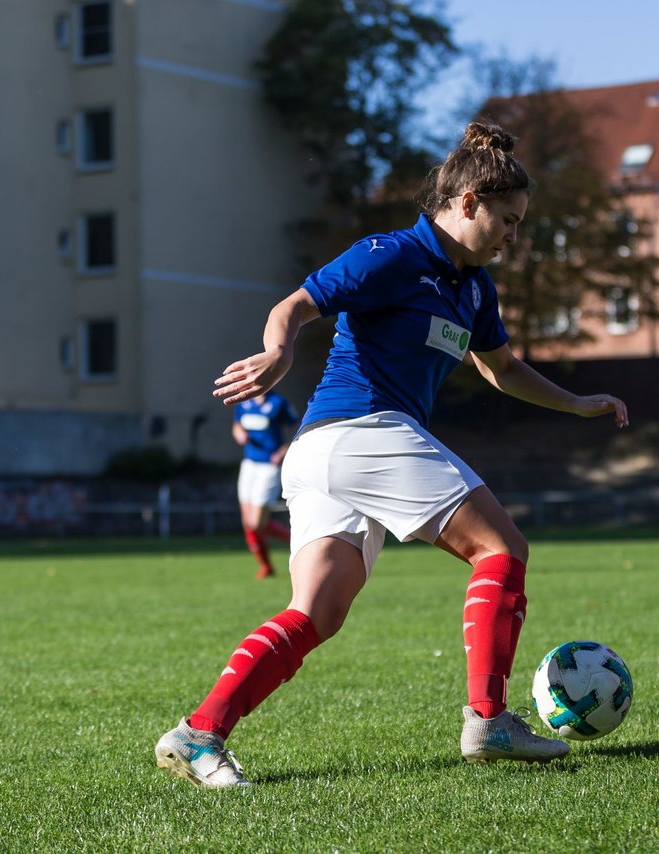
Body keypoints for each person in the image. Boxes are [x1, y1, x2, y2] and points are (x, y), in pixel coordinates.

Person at [154, 121, 629, 788]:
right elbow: (296, 305)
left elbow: (505, 370)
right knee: (502, 549)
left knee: (316, 613)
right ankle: (488, 719)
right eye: (508, 221)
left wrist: (577, 402)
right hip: (359, 433)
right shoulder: (391, 254)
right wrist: (279, 352)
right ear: (466, 203)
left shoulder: (474, 288)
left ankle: (198, 732)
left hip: (325, 452)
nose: (513, 237)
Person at [232, 390, 299, 578]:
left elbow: (298, 426)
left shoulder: (278, 402)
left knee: (255, 522)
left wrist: (283, 450)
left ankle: (295, 539)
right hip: (249, 464)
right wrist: (239, 434)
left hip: (269, 466)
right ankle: (266, 566)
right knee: (248, 523)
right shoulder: (244, 402)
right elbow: (237, 425)